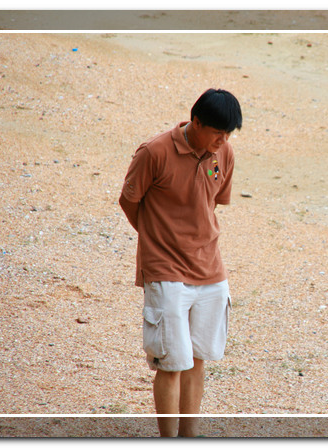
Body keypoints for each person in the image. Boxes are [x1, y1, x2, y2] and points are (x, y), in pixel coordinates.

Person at [119, 88, 242, 437]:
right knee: (172, 363)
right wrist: (158, 239)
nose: (223, 140)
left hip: (210, 269)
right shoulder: (154, 152)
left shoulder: (223, 152)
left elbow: (210, 203)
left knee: (197, 360)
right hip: (165, 269)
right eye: (217, 132)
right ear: (196, 122)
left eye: (228, 133)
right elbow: (129, 202)